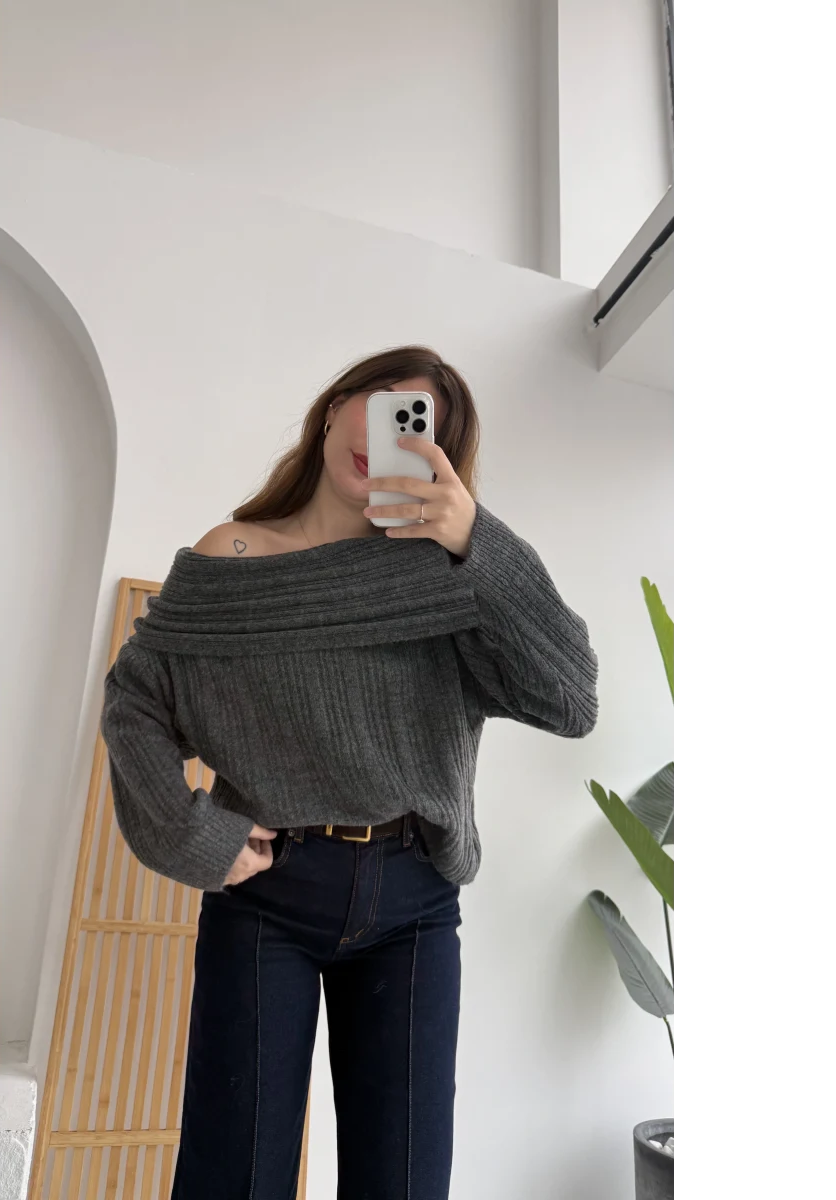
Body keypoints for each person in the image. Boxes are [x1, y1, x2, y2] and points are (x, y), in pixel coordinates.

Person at [100, 345, 599, 1199]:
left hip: (414, 903)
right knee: (233, 1177)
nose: (383, 433)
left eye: (416, 424)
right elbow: (136, 698)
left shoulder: (444, 576)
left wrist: (476, 538)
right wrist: (190, 834)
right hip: (269, 896)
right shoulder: (235, 557)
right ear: (335, 408)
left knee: (402, 1184)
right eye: (379, 402)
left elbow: (572, 697)